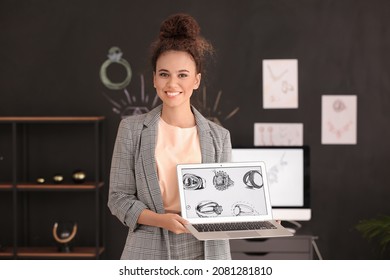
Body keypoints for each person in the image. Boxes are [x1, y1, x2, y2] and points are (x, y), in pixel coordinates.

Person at [108, 13, 232, 260]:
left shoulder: (220, 137)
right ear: (154, 79)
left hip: (207, 250)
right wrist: (161, 221)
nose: (172, 83)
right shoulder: (131, 130)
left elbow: (224, 202)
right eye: (164, 74)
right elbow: (118, 199)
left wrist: (256, 216)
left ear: (196, 80)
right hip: (149, 247)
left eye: (182, 75)